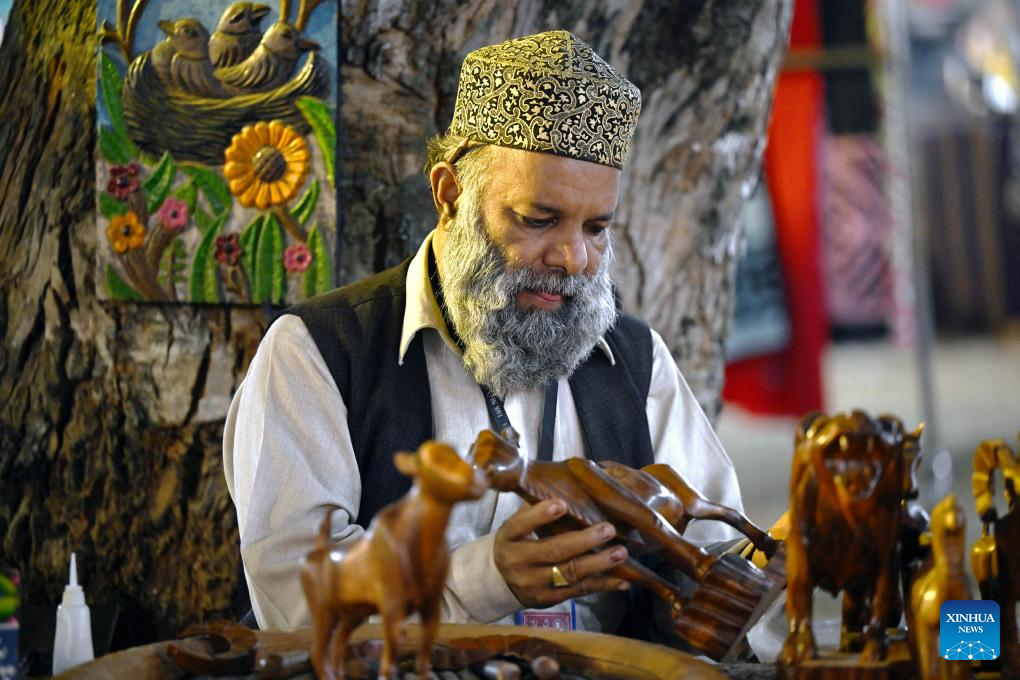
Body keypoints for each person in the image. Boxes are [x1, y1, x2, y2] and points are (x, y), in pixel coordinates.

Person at [223, 29, 760, 641]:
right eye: (539, 219)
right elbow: (294, 599)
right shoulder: (318, 353)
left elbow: (721, 557)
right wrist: (483, 580)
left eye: (596, 228)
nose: (573, 258)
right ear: (450, 195)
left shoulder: (636, 362)